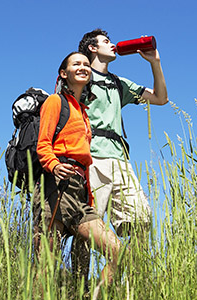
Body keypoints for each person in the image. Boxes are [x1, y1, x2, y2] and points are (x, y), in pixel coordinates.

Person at [71, 29, 168, 279]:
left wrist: (155, 62)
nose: (112, 45)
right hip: (91, 159)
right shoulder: (81, 75)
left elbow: (160, 98)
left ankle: (127, 284)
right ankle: (78, 286)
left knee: (140, 221)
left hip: (121, 162)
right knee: (90, 226)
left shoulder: (118, 83)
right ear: (92, 48)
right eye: (105, 42)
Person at [33, 51, 121, 287]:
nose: (83, 67)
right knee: (46, 264)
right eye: (76, 64)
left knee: (116, 251)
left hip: (79, 192)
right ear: (64, 73)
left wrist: (88, 195)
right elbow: (43, 144)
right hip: (56, 187)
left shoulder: (84, 113)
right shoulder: (55, 102)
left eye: (86, 64)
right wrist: (53, 165)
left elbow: (85, 160)